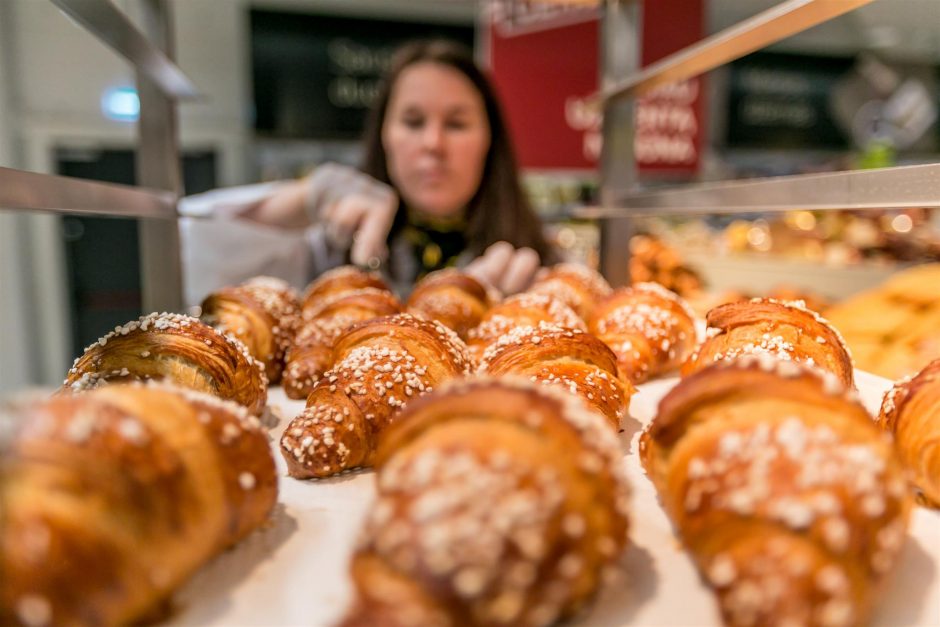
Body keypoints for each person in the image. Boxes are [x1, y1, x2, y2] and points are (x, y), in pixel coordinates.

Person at [179, 39, 556, 305]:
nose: (433, 144)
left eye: (456, 124)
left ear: (490, 140)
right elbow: (194, 254)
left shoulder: (539, 261)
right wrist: (304, 200)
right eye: (412, 121)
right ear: (384, 135)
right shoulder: (330, 248)